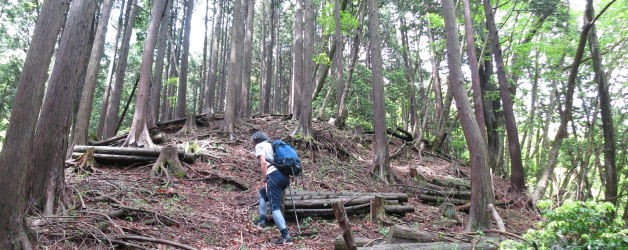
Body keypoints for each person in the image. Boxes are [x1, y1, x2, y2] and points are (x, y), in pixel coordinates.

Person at [251, 131, 293, 245]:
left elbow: (263, 163)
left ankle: (286, 238)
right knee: (262, 194)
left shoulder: (260, 146)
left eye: (253, 142)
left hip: (274, 177)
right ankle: (262, 221)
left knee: (275, 207)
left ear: (256, 141)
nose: (253, 145)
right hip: (284, 177)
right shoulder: (272, 144)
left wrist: (265, 181)